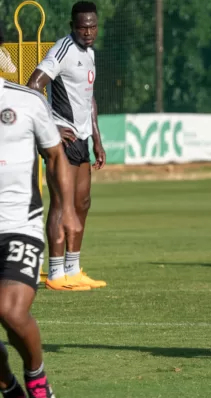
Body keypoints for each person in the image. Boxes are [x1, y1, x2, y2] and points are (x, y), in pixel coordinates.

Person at [0, 77, 82, 397]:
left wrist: (67, 209)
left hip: (20, 224)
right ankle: (11, 390)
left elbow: (56, 155)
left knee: (9, 309)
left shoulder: (26, 101)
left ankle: (37, 378)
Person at [27, 1, 106, 291]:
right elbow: (33, 84)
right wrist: (51, 126)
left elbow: (90, 99)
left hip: (82, 138)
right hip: (62, 139)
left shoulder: (90, 54)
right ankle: (56, 273)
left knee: (82, 203)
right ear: (72, 26)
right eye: (83, 26)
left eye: (93, 25)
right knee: (61, 203)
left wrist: (97, 139)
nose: (88, 31)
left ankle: (73, 269)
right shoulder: (63, 50)